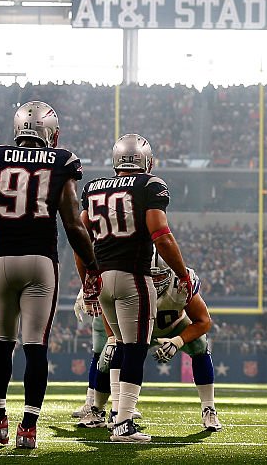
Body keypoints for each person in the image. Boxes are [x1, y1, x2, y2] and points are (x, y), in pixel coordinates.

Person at [0, 100, 101, 449]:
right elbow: (72, 223)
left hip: (2, 261)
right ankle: (28, 428)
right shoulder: (61, 160)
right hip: (40, 260)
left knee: (3, 343)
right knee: (36, 347)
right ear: (51, 132)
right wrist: (93, 267)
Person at [79, 133, 192, 442]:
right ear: (146, 160)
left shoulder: (92, 189)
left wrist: (86, 280)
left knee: (117, 343)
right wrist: (182, 273)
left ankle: (113, 413)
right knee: (135, 349)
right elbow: (161, 234)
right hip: (133, 277)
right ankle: (123, 423)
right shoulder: (149, 185)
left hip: (102, 278)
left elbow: (81, 241)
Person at [147, 260, 222, 431]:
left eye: (159, 276)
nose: (155, 281)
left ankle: (209, 408)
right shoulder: (129, 280)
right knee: (111, 355)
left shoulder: (180, 281)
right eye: (151, 276)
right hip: (140, 331)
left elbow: (204, 322)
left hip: (176, 326)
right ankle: (103, 408)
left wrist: (178, 341)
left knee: (200, 344)